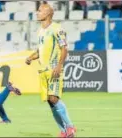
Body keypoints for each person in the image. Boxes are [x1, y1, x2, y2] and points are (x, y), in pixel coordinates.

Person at [25, 3, 76, 138]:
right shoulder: (40, 31)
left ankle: (70, 126)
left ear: (48, 13)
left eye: (40, 10)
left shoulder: (57, 29)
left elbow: (64, 48)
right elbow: (40, 51)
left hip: (54, 69)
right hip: (43, 71)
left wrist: (59, 66)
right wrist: (30, 57)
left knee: (54, 99)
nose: (37, 12)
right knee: (49, 100)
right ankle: (64, 131)